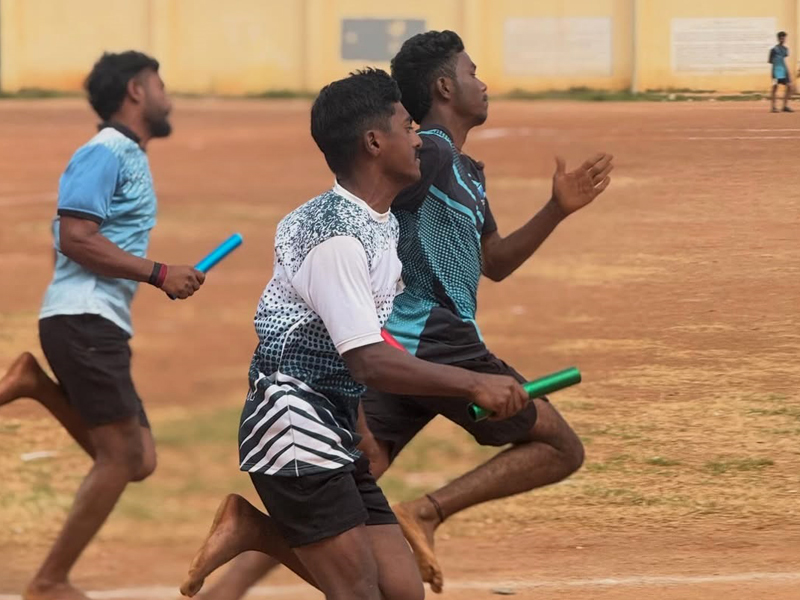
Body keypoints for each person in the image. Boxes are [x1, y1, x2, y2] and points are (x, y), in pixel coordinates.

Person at [178, 68, 529, 600]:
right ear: (373, 142)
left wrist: (361, 425)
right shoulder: (337, 238)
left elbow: (346, 342)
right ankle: (257, 533)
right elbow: (367, 359)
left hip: (334, 422)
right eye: (408, 126)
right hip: (292, 421)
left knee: (402, 592)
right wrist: (473, 384)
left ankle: (256, 531)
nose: (418, 139)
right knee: (359, 593)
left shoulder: (376, 221)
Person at [0, 51, 204, 600]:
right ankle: (48, 581)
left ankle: (32, 383)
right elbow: (73, 236)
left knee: (140, 460)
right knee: (121, 457)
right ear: (136, 91)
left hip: (91, 320)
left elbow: (68, 241)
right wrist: (160, 273)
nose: (168, 96)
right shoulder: (106, 152)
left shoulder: (125, 155)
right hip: (84, 321)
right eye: (160, 84)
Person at [769, 31, 793, 113]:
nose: (782, 39)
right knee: (775, 87)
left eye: (783, 38)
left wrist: (786, 71)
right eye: (781, 38)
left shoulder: (786, 49)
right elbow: (771, 61)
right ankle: (773, 107)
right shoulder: (773, 50)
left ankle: (785, 106)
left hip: (784, 70)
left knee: (789, 86)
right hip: (776, 71)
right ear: (778, 39)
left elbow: (784, 58)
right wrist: (774, 72)